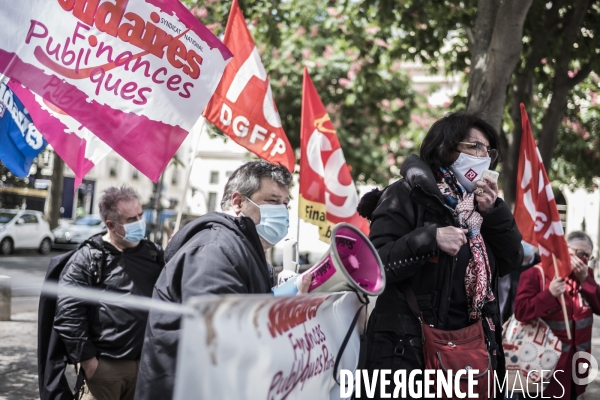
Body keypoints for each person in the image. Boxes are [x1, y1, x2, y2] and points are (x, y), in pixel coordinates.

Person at [357, 112, 523, 398]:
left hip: (469, 350)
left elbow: (512, 260)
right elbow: (375, 267)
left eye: (488, 150)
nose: (484, 157)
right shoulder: (404, 196)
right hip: (408, 353)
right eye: (475, 147)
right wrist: (429, 239)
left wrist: (494, 212)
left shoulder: (480, 206)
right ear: (445, 149)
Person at [135, 160, 309, 400]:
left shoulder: (240, 247)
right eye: (272, 201)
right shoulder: (214, 250)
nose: (282, 211)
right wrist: (286, 314)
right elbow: (219, 340)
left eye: (285, 204)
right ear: (238, 202)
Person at [54, 186, 165, 400]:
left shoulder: (154, 254)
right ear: (111, 225)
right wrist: (89, 362)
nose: (140, 222)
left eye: (141, 215)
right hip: (105, 370)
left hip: (145, 368)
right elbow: (69, 314)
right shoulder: (88, 258)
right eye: (132, 219)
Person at [514, 231, 600, 399]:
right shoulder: (536, 274)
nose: (582, 260)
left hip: (577, 368)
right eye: (579, 253)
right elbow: (521, 311)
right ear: (564, 250)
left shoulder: (585, 275)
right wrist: (549, 295)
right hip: (544, 369)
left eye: (587, 256)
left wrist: (586, 281)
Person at [498, 241, 539, 324]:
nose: (526, 242)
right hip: (504, 323)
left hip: (531, 325)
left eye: (529, 240)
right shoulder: (505, 263)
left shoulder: (542, 267)